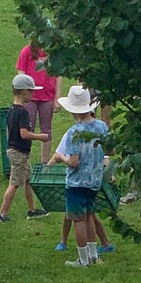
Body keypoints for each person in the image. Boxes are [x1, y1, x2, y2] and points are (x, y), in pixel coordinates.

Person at [51, 84, 111, 268]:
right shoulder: (101, 126)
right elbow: (110, 150)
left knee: (77, 219)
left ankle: (83, 259)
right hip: (94, 179)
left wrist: (61, 157)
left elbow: (74, 162)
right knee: (89, 215)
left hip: (77, 182)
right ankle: (93, 255)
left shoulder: (73, 132)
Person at [0, 72, 49, 223]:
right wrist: (40, 137)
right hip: (19, 153)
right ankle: (1, 214)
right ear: (24, 91)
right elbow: (24, 134)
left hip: (16, 151)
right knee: (15, 183)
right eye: (31, 91)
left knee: (28, 179)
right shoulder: (22, 112)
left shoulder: (11, 110)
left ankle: (32, 209)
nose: (32, 95)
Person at [16, 41, 57, 166]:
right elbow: (21, 74)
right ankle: (24, 161)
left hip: (48, 95)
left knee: (46, 129)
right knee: (28, 128)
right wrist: (21, 95)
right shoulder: (27, 51)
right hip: (30, 97)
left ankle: (44, 163)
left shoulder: (51, 52)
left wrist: (57, 97)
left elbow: (58, 75)